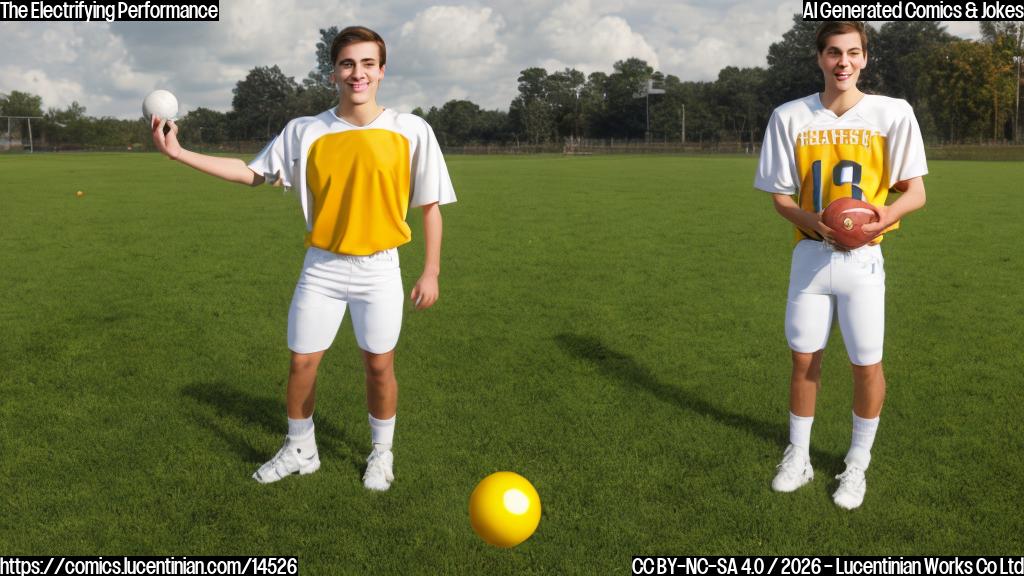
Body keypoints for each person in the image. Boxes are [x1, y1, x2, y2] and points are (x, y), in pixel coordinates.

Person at [150, 25, 456, 491]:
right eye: (347, 64)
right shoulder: (305, 130)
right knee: (301, 363)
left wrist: (430, 271)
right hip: (322, 268)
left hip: (380, 270)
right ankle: (301, 450)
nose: (357, 73)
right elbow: (252, 173)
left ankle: (382, 452)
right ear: (333, 73)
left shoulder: (411, 130)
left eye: (367, 64)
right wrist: (179, 153)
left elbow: (430, 206)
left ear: (382, 71)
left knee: (379, 367)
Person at [754, 21, 927, 509]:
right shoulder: (790, 116)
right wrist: (814, 220)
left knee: (866, 364)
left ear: (865, 59)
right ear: (820, 58)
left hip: (863, 260)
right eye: (833, 52)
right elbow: (781, 198)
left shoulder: (892, 113)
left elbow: (916, 192)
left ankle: (857, 463)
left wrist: (882, 217)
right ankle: (799, 455)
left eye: (853, 52)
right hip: (810, 256)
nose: (843, 62)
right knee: (803, 360)